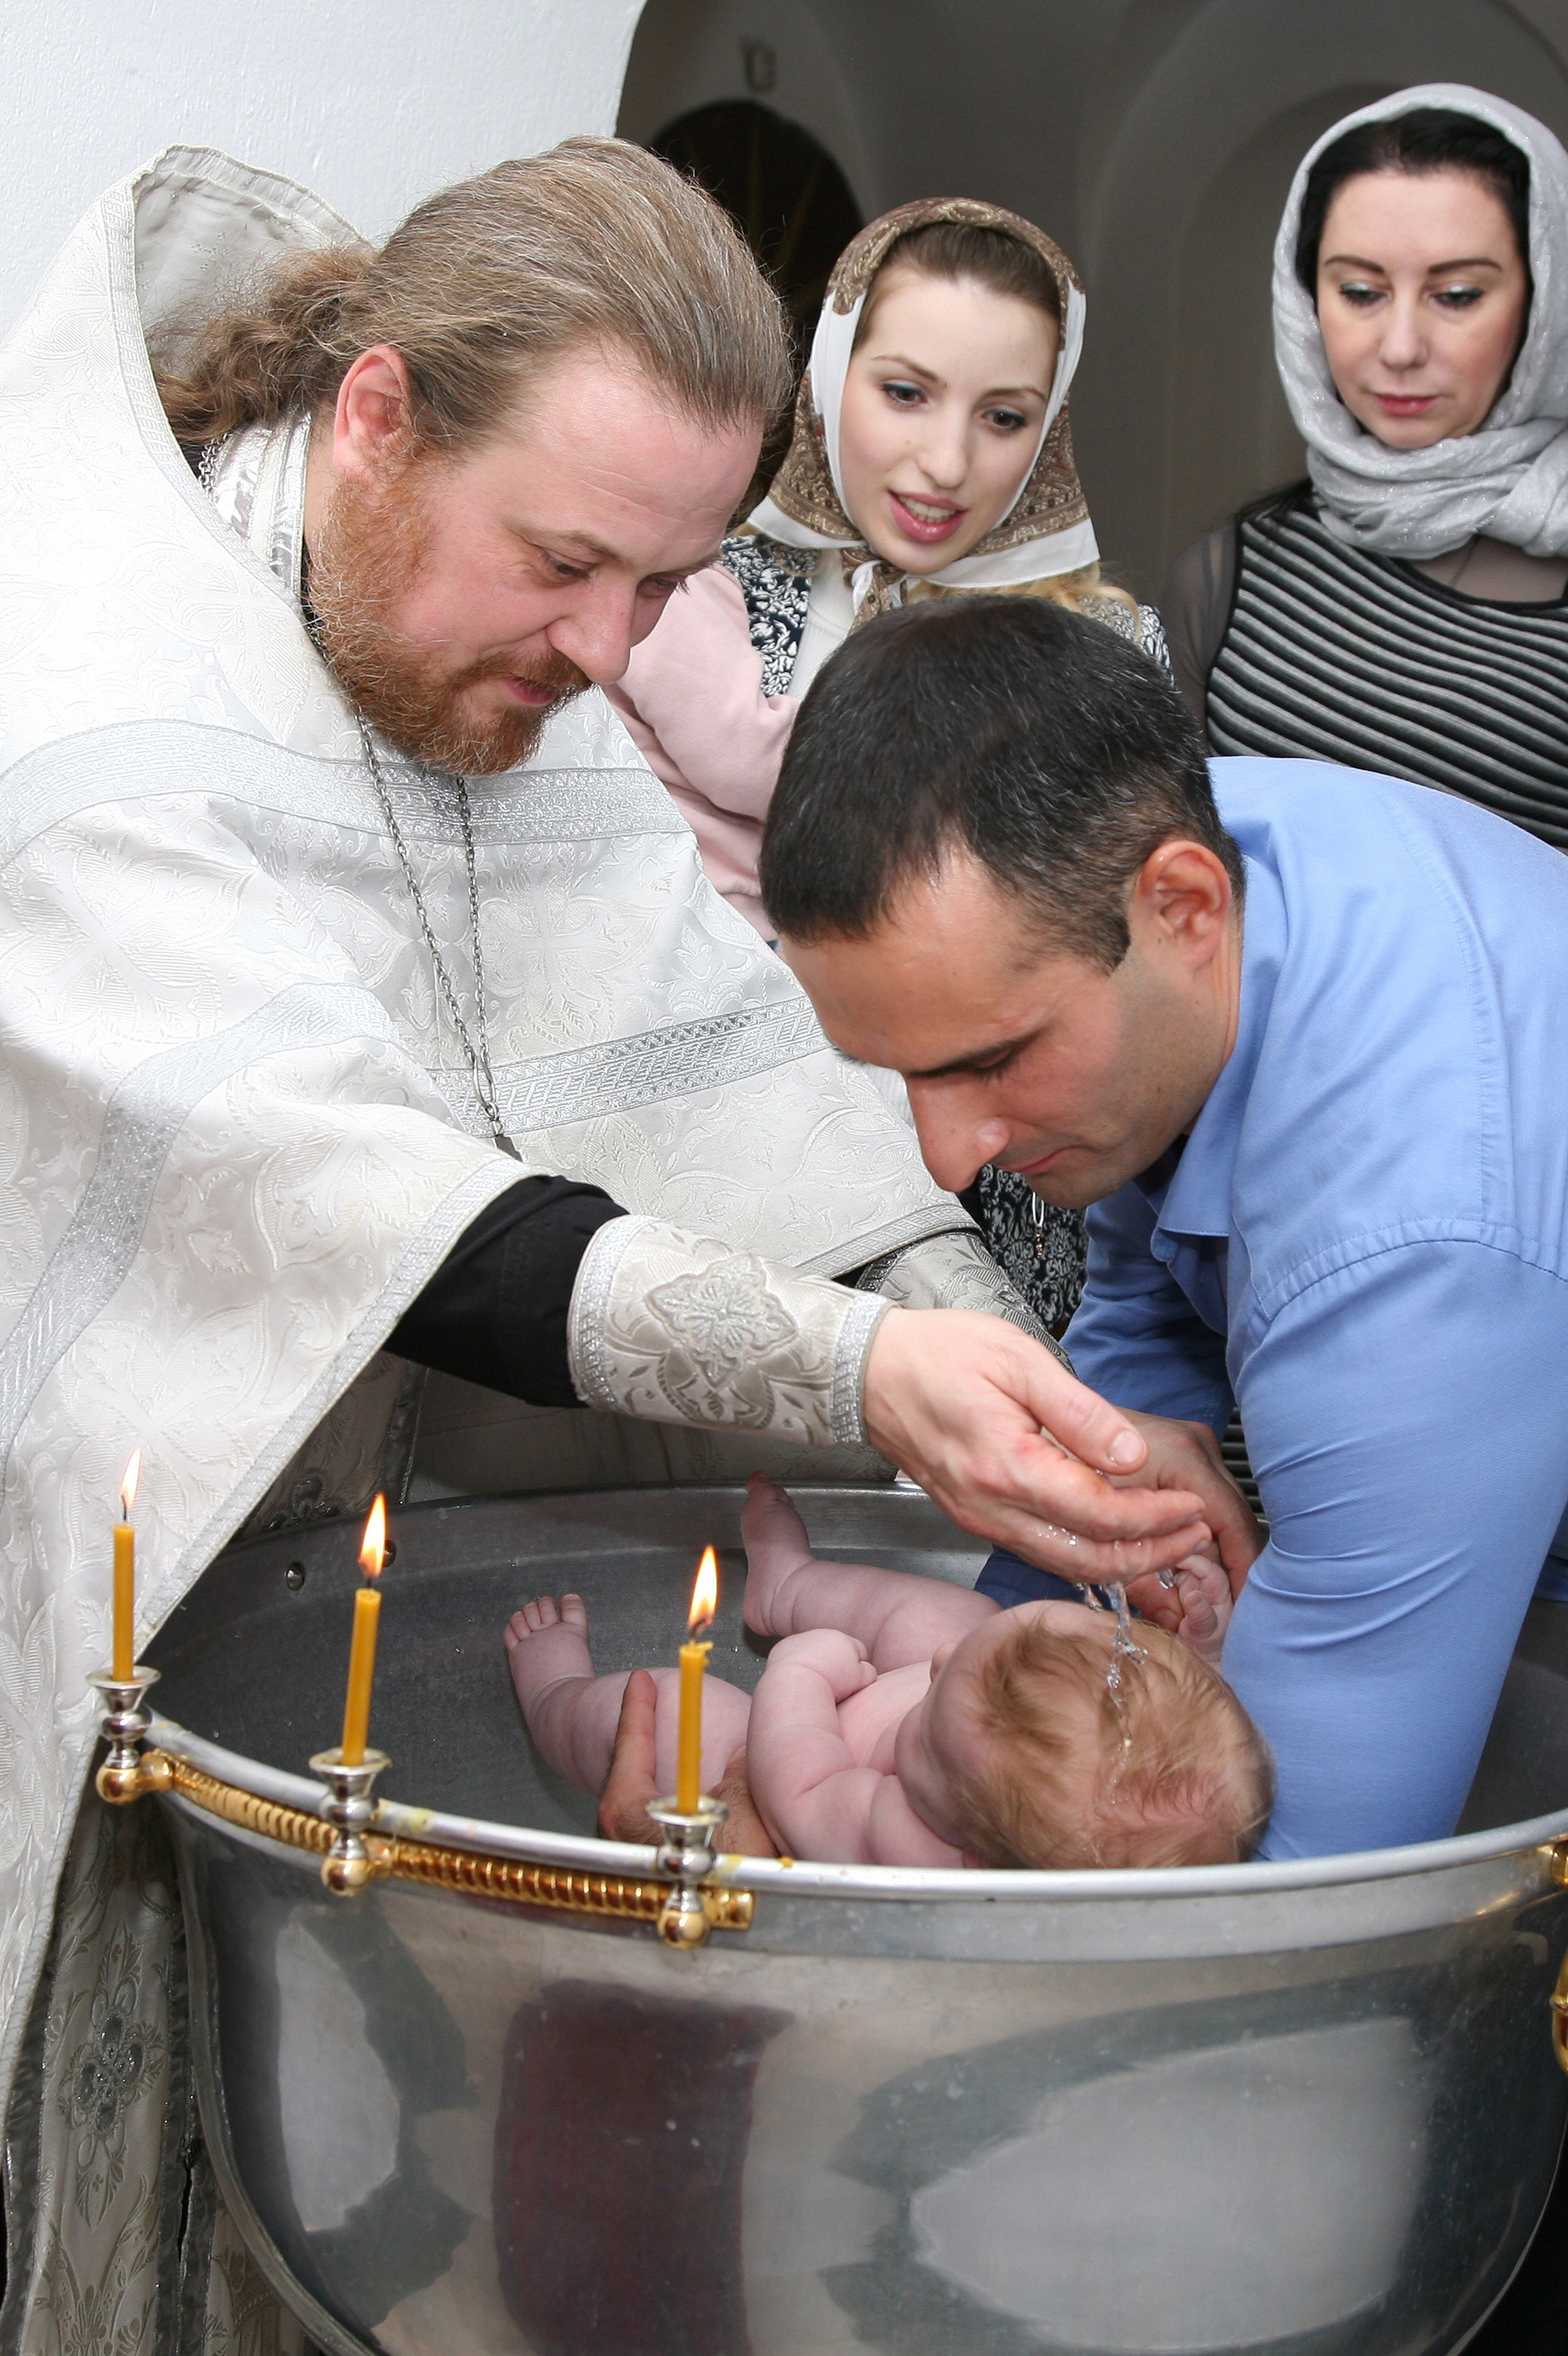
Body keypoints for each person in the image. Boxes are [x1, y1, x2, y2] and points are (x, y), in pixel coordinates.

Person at [0, 141, 1253, 2341]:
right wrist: (866, 1380)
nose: (604, 654)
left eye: (660, 589)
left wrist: (982, 1349)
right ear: (377, 417)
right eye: (569, 564)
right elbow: (353, 1209)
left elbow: (722, 1077)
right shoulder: (93, 687)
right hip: (130, 1581)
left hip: (397, 1595)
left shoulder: (501, 636)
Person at [758, 593, 1568, 1863]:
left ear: (1183, 909)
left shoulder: (1416, 1257)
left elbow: (1295, 1916)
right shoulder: (1161, 861)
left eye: (991, 1060)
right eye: (897, 1073)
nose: (943, 1153)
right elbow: (1148, 1311)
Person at [609, 196, 1168, 1330]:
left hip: (998, 1191)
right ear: (826, 374)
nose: (945, 460)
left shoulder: (1106, 649)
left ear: (1050, 424)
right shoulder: (690, 585)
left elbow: (1132, 979)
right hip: (715, 1165)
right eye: (903, 393)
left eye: (1003, 416)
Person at [1161, 86, 1568, 844]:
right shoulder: (1226, 578)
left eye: (1455, 295)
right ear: (1305, 300)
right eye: (1358, 291)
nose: (1400, 346)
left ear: (1545, 305)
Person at [509, 1474, 1266, 1869]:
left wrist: (802, 1676)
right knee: (953, 1623)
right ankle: (788, 1586)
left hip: (798, 1751)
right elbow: (1184, 1735)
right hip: (934, 1723)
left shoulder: (905, 1839)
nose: (937, 1665)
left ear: (967, 1845)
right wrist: (1200, 1656)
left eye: (933, 1715)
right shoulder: (1037, 1800)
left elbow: (794, 1782)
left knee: (686, 1712)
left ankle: (555, 1693)